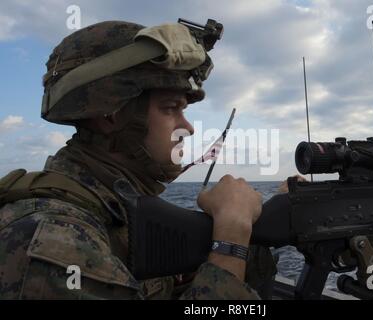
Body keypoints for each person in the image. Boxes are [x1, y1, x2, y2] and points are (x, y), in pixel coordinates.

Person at [0, 20, 276, 299]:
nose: (188, 127)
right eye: (170, 109)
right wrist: (230, 243)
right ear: (112, 114)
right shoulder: (54, 240)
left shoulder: (116, 211)